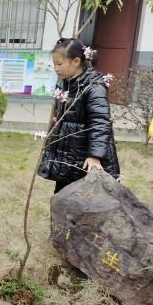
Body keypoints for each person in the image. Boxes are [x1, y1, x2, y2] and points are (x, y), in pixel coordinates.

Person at [39, 38, 120, 193]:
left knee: (85, 204)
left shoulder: (94, 86)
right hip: (69, 158)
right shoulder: (67, 83)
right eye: (54, 64)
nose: (56, 68)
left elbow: (100, 122)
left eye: (60, 64)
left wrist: (95, 156)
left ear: (76, 61)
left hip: (86, 160)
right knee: (63, 201)